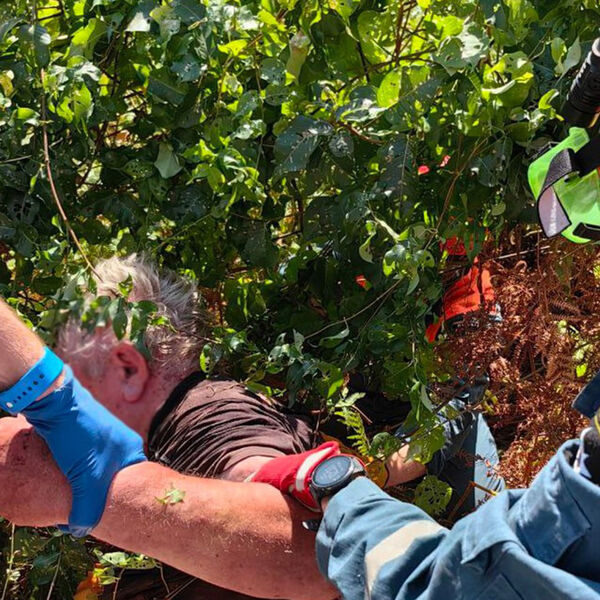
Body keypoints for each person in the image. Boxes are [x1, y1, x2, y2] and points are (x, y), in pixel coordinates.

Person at [0, 255, 502, 599]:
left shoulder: (207, 420)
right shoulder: (185, 418)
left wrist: (83, 497)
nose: (30, 417)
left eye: (73, 371)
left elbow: (309, 539)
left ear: (128, 369)